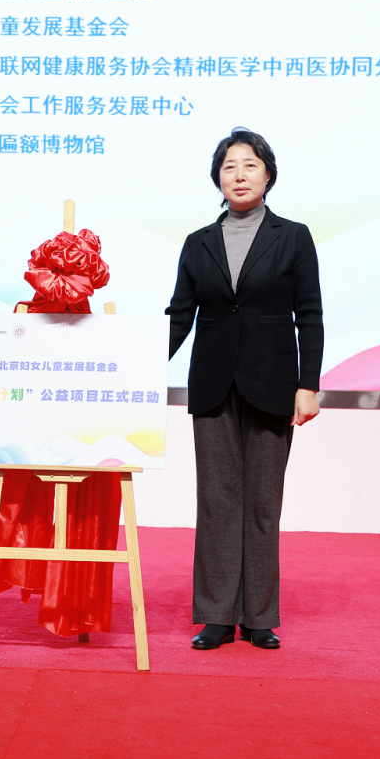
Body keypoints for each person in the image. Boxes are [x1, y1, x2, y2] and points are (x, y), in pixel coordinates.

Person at [165, 128, 323, 651]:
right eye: (229, 166)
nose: (239, 175)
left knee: (262, 504)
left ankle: (258, 617)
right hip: (212, 385)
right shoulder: (198, 242)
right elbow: (179, 317)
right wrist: (133, 367)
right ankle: (216, 615)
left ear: (268, 175)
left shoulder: (293, 236)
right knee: (216, 502)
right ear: (218, 178)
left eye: (250, 165)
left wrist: (308, 385)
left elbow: (310, 315)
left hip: (273, 384)